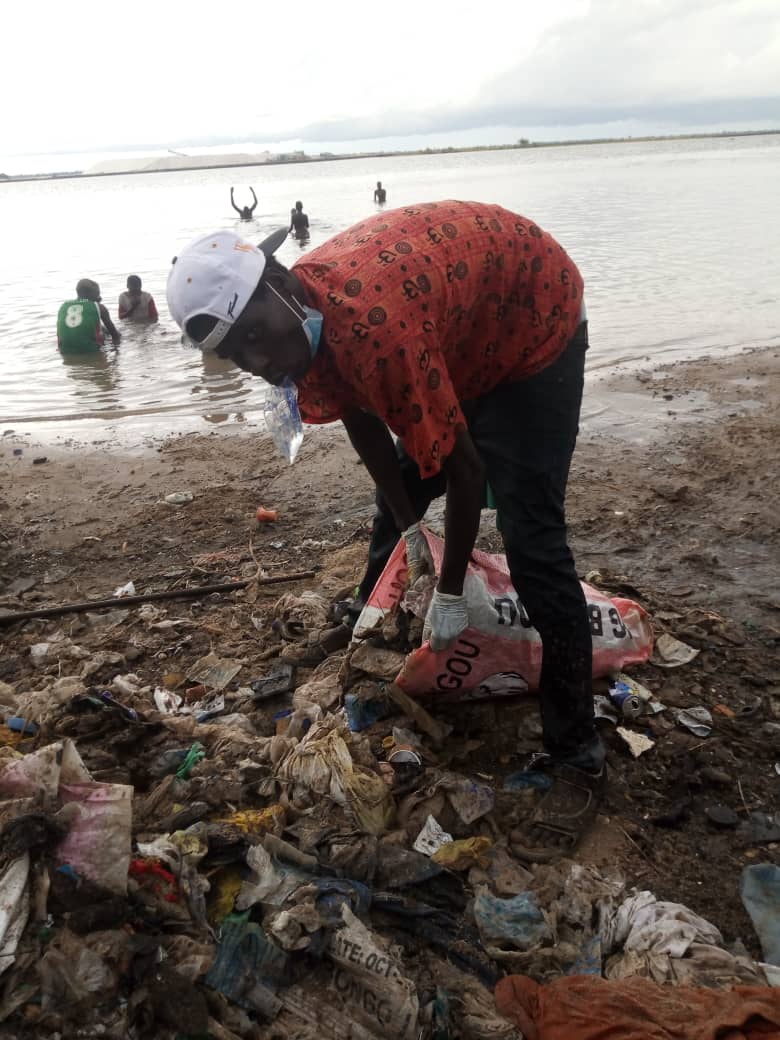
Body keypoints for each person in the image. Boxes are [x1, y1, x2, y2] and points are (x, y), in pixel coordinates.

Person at [166, 200, 603, 862]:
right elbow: (357, 413)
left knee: (532, 539)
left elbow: (462, 469)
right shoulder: (301, 325)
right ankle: (373, 629)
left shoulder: (376, 329)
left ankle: (579, 754)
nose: (254, 362)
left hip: (530, 316)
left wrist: (451, 592)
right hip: (460, 327)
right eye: (235, 354)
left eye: (255, 336)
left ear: (282, 287)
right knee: (394, 495)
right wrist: (406, 529)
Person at [57, 278, 120, 352]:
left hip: (64, 351)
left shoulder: (63, 306)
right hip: (91, 351)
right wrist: (116, 350)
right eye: (98, 295)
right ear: (92, 294)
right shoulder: (99, 307)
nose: (100, 297)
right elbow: (114, 334)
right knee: (106, 330)